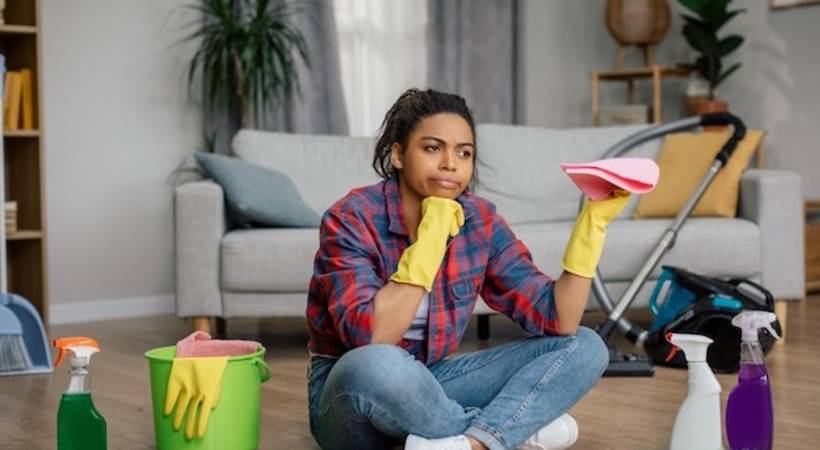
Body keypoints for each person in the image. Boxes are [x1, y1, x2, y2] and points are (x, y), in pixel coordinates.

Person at [305, 88, 630, 450]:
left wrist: (592, 224)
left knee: (586, 346)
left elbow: (559, 319)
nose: (450, 163)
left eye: (464, 152)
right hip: (351, 397)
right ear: (398, 154)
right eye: (432, 148)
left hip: (432, 383)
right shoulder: (351, 218)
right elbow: (371, 338)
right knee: (380, 364)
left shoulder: (480, 221)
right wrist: (430, 240)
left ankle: (469, 445)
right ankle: (507, 433)